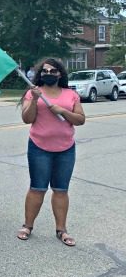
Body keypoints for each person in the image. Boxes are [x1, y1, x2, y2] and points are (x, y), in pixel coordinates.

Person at [17, 57, 85, 246]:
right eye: (45, 71)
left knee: (61, 190)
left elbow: (80, 119)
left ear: (60, 74)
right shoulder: (33, 93)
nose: (48, 74)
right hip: (39, 147)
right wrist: (35, 99)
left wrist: (62, 111)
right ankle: (27, 226)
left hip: (65, 149)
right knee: (37, 188)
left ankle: (61, 230)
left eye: (53, 71)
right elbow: (27, 119)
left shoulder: (70, 95)